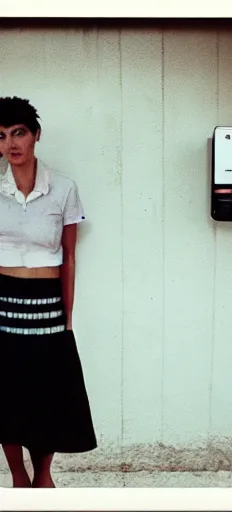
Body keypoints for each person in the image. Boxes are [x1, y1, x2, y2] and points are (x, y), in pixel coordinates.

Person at [0, 97, 97, 487]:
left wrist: (67, 316)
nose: (11, 144)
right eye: (2, 136)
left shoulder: (63, 189)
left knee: (47, 395)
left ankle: (43, 474)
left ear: (36, 136)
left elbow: (69, 256)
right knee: (5, 393)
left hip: (47, 305)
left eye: (19, 133)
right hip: (3, 303)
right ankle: (18, 475)